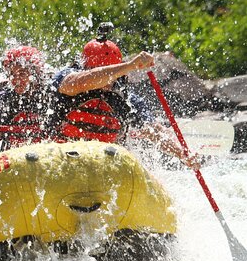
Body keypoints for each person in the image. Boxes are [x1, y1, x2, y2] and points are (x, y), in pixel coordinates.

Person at [50, 22, 199, 166]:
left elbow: (154, 130)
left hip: (101, 163)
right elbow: (76, 84)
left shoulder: (125, 98)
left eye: (112, 73)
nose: (107, 82)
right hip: (61, 156)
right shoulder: (68, 77)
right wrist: (130, 66)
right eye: (101, 71)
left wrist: (182, 154)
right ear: (87, 68)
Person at [0, 46, 53, 153]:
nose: (16, 80)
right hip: (14, 159)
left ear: (36, 74)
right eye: (12, 74)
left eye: (22, 74)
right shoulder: (6, 99)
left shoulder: (49, 94)